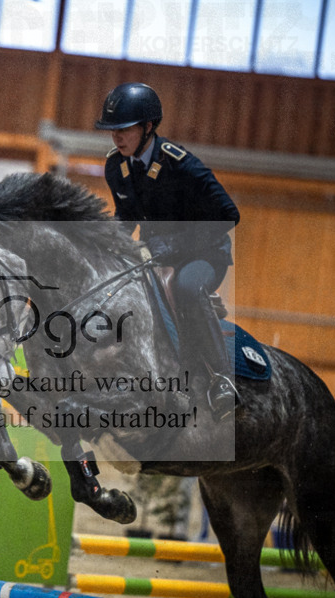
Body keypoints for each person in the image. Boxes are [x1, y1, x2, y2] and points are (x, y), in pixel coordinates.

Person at [95, 82, 241, 421]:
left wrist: (176, 245)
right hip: (157, 255)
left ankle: (222, 379)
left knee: (187, 288)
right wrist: (106, 249)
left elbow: (228, 215)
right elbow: (126, 217)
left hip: (204, 254)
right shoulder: (116, 167)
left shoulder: (182, 165)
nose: (117, 138)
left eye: (124, 129)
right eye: (112, 130)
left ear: (148, 127)